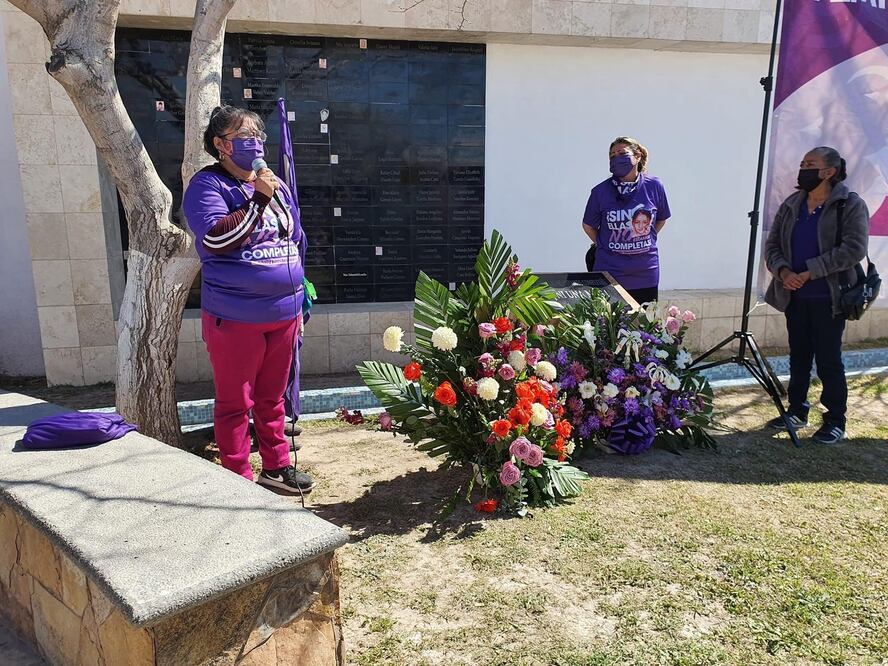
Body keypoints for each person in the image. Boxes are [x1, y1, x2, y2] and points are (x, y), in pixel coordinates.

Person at [183, 105, 315, 494]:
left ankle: (276, 467)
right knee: (235, 403)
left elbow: (292, 239)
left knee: (272, 398)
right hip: (236, 316)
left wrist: (300, 296)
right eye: (244, 138)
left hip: (284, 314)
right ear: (221, 145)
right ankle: (237, 477)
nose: (254, 144)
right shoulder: (207, 186)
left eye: (258, 137)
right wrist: (257, 199)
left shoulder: (275, 185)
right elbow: (218, 240)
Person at [764, 146, 869, 444]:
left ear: (829, 171)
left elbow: (853, 249)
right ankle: (797, 410)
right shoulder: (792, 203)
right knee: (799, 357)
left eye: (810, 164)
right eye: (802, 163)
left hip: (829, 298)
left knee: (828, 360)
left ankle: (835, 419)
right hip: (794, 296)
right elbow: (772, 246)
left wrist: (810, 272)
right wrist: (784, 272)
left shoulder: (848, 204)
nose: (803, 168)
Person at [582, 136, 671, 305]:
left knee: (644, 326)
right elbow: (588, 225)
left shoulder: (654, 186)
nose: (616, 158)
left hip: (645, 272)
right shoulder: (600, 192)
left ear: (637, 156)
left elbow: (661, 218)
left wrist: (645, 237)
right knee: (607, 328)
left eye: (622, 153)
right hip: (610, 271)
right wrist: (604, 243)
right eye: (612, 155)